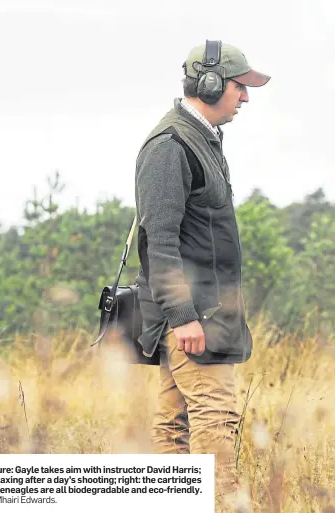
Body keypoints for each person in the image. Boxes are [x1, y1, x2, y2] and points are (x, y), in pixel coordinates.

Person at [134, 40, 270, 511]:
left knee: (174, 425)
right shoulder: (170, 147)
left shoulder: (201, 139)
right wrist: (183, 315)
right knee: (216, 415)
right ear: (209, 84)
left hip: (206, 313)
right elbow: (160, 240)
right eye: (239, 86)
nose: (246, 97)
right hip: (195, 318)